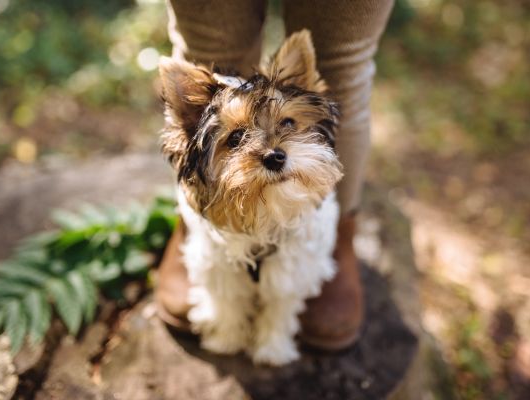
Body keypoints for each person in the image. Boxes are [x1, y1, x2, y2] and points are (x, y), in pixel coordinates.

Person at [157, 0, 394, 350]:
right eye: (236, 139)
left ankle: (339, 236)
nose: (272, 152)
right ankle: (191, 226)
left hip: (308, 232)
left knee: (342, 61)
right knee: (207, 43)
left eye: (287, 123)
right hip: (219, 229)